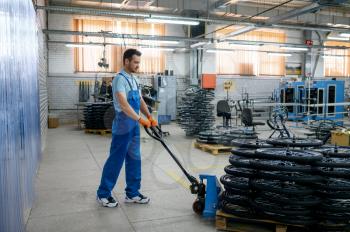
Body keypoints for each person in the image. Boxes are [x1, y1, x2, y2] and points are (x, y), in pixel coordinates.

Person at [97, 49, 158, 208]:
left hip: (134, 127)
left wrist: (149, 116)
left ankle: (132, 193)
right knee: (116, 160)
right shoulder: (119, 79)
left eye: (138, 62)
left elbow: (139, 100)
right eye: (135, 62)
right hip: (123, 126)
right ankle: (103, 194)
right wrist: (140, 119)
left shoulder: (133, 79)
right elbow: (123, 104)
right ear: (126, 61)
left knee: (134, 159)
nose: (138, 65)